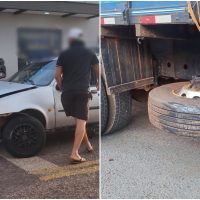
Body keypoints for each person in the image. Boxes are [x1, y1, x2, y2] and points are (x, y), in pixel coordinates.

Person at [55, 28, 99, 164]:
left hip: (67, 93)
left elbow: (57, 75)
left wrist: (63, 87)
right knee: (81, 122)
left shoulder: (64, 53)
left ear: (70, 40)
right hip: (82, 92)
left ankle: (88, 146)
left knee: (79, 122)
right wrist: (97, 82)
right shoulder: (89, 52)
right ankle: (74, 153)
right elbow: (97, 69)